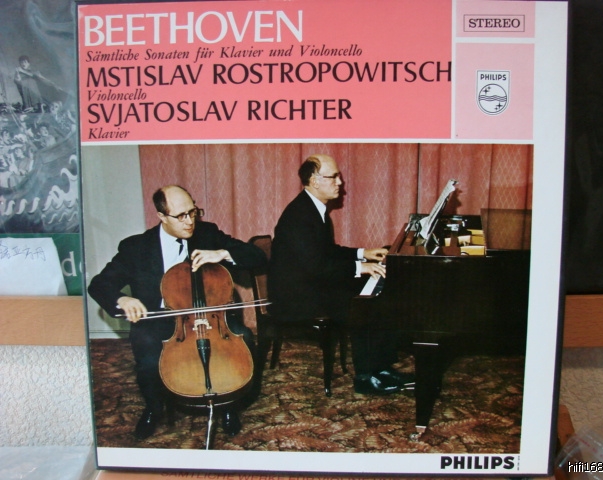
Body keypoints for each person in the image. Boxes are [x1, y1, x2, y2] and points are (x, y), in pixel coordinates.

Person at [88, 185, 267, 440]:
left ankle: (228, 405)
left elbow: (258, 256)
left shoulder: (208, 234)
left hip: (210, 317)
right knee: (147, 353)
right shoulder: (136, 247)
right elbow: (99, 284)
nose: (190, 221)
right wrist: (122, 298)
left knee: (244, 337)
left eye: (193, 212)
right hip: (161, 319)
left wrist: (222, 253)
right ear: (161, 216)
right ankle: (153, 407)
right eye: (181, 216)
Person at [268, 154, 412, 395]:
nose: (340, 182)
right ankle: (366, 378)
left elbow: (328, 252)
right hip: (296, 298)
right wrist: (360, 267)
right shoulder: (299, 216)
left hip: (310, 286)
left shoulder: (314, 208)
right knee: (364, 305)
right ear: (315, 181)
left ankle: (382, 368)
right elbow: (315, 266)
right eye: (333, 177)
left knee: (378, 294)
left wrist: (363, 253)